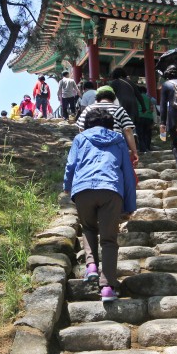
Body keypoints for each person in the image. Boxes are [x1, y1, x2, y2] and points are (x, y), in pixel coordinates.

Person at [64, 107, 137, 302]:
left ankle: (91, 267)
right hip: (111, 190)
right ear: (110, 124)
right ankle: (107, 288)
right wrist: (129, 204)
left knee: (88, 227)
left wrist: (67, 186)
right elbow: (128, 174)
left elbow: (71, 165)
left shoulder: (80, 139)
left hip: (83, 189)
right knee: (109, 239)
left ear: (87, 124)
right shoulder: (119, 139)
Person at [77, 85, 139, 167]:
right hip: (115, 146)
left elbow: (81, 129)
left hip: (93, 146)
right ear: (113, 97)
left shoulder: (88, 109)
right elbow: (127, 129)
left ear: (97, 97)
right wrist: (134, 151)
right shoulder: (119, 109)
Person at [158, 65, 177, 180]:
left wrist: (162, 123)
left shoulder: (166, 85)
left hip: (173, 118)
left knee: (176, 144)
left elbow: (162, 106)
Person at [135, 82, 156, 153]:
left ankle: (142, 149)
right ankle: (148, 147)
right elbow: (154, 103)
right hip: (149, 117)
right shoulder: (149, 97)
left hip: (140, 116)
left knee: (140, 134)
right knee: (148, 133)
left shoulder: (137, 97)